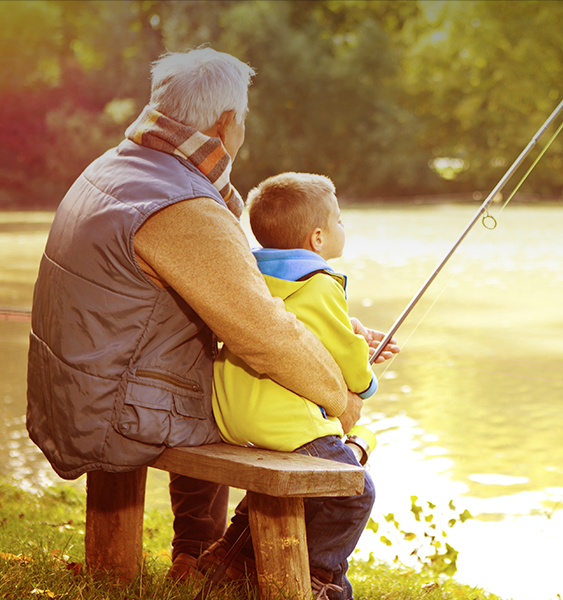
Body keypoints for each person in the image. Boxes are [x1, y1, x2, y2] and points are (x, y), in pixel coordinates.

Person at [24, 47, 397, 583]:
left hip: (73, 393)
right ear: (227, 123)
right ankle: (273, 572)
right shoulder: (184, 206)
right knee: (279, 415)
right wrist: (341, 397)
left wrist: (343, 333)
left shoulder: (113, 169)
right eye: (242, 120)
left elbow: (242, 301)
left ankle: (207, 556)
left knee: (238, 382)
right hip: (113, 412)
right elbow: (264, 334)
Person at [206, 172, 379, 599]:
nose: (344, 227)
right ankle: (318, 577)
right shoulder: (320, 284)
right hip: (283, 425)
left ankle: (229, 556)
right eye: (339, 220)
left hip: (231, 415)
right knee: (355, 490)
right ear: (317, 238)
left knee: (283, 485)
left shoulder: (249, 275)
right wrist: (367, 381)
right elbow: (349, 360)